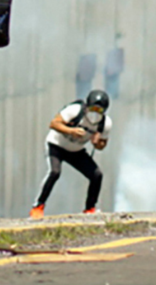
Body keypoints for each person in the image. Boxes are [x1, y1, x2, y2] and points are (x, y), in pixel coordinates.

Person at [29, 90, 112, 219]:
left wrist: (97, 143)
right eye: (93, 108)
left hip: (76, 150)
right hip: (56, 145)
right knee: (54, 172)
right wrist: (71, 131)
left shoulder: (105, 124)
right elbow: (54, 123)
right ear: (87, 106)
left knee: (96, 175)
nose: (95, 113)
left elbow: (102, 144)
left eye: (99, 110)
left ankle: (90, 208)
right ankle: (38, 206)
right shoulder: (75, 110)